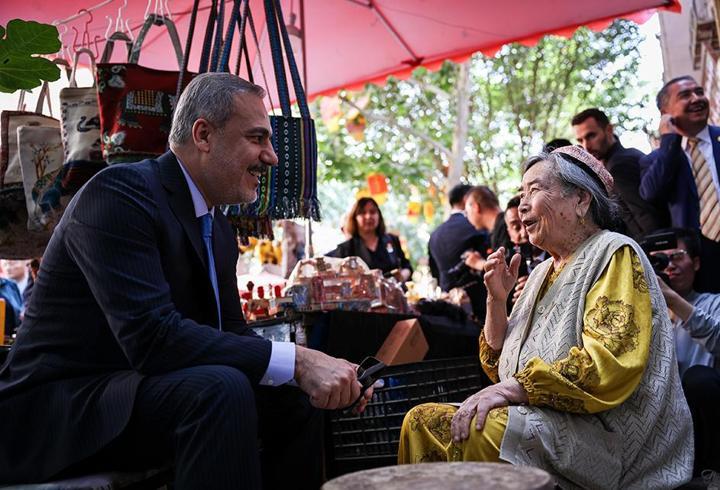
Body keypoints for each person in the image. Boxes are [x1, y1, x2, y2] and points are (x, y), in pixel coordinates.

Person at [0, 73, 370, 489]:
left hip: (136, 396)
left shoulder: (219, 228)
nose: (272, 157)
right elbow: (152, 338)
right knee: (220, 388)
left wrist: (322, 373)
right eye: (257, 138)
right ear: (204, 135)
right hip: (61, 412)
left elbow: (229, 332)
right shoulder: (120, 193)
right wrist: (299, 360)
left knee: (296, 399)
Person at [398, 146, 693, 489]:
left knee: (481, 431)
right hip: (550, 420)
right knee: (420, 423)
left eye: (535, 190)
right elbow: (498, 366)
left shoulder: (615, 252)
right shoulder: (540, 272)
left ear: (581, 200)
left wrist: (513, 389)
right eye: (521, 193)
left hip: (607, 438)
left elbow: (609, 362)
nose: (522, 204)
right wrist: (496, 299)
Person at [640, 76, 720, 293]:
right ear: (665, 112)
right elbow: (650, 193)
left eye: (699, 92)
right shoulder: (658, 159)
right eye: (685, 95)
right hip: (704, 267)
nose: (697, 98)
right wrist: (669, 141)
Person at [652, 228, 720, 475]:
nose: (669, 265)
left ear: (697, 263)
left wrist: (672, 299)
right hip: (659, 416)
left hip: (702, 416)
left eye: (678, 256)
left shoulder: (714, 303)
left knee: (699, 378)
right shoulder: (642, 313)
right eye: (660, 259)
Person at [572, 108, 668, 240]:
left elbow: (642, 215)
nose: (586, 146)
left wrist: (657, 248)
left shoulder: (619, 165)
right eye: (580, 141)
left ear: (609, 130)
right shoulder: (623, 157)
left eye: (591, 136)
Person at [327, 197, 412, 282]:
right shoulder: (346, 248)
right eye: (362, 213)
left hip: (395, 293)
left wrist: (403, 276)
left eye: (372, 212)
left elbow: (407, 266)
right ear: (354, 218)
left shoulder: (392, 240)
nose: (368, 216)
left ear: (379, 215)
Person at [428, 184, 489, 292]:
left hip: (448, 296)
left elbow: (435, 271)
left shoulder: (434, 235)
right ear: (466, 199)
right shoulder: (476, 224)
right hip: (477, 293)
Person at [503, 196, 547, 305]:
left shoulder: (562, 255)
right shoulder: (506, 267)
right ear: (509, 233)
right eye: (516, 227)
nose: (524, 233)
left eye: (529, 223)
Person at [463, 186, 511, 272]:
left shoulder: (507, 225)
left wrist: (479, 263)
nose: (467, 217)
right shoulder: (496, 229)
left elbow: (508, 270)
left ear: (475, 207)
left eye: (467, 212)